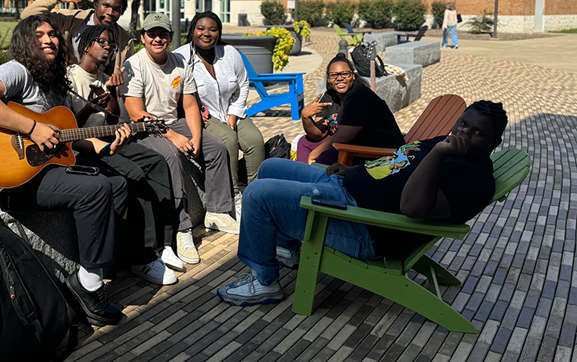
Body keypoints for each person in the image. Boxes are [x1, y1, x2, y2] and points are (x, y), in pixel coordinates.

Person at [217, 101, 508, 306]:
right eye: (463, 124)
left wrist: (439, 154)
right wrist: (354, 171)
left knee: (257, 194)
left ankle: (266, 281)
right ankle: (289, 249)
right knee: (270, 167)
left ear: (495, 143)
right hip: (345, 188)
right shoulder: (445, 141)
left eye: (478, 133)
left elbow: (413, 208)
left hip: (361, 224)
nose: (464, 134)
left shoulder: (474, 180)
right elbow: (397, 162)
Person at [0, 14, 128, 327]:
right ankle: (89, 286)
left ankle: (97, 269)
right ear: (25, 41)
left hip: (45, 169)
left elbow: (65, 137)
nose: (49, 39)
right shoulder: (17, 71)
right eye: (39, 35)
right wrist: (32, 127)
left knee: (117, 182)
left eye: (52, 34)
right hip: (15, 179)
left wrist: (106, 146)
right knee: (96, 189)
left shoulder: (53, 84)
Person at [120, 12, 239, 266]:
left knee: (217, 147)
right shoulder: (135, 64)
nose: (157, 38)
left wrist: (196, 137)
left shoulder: (180, 63)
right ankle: (182, 229)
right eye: (152, 34)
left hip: (175, 121)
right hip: (143, 129)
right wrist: (172, 136)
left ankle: (217, 211)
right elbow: (135, 113)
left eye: (163, 34)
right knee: (171, 156)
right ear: (143, 37)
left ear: (171, 37)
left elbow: (190, 104)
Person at [66, 23, 182, 283]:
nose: (109, 48)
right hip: (84, 149)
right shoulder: (70, 77)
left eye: (112, 45)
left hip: (109, 140)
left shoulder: (102, 78)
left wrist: (113, 92)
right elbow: (65, 127)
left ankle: (163, 244)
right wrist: (88, 109)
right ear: (87, 45)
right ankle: (140, 258)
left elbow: (113, 120)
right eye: (103, 43)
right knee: (134, 175)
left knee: (157, 162)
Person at [173, 12, 265, 218]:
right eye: (201, 29)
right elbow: (173, 88)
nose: (207, 33)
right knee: (229, 141)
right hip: (204, 116)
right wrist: (191, 110)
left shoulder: (229, 53)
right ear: (192, 31)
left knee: (255, 141)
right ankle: (233, 197)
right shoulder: (181, 57)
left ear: (219, 32)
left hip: (232, 110)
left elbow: (242, 83)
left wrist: (234, 113)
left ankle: (255, 195)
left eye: (213, 29)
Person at [299, 54, 405, 165]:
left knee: (325, 156)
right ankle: (303, 175)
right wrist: (305, 117)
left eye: (345, 74)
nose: (340, 78)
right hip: (350, 145)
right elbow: (318, 134)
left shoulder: (359, 95)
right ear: (329, 79)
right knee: (304, 142)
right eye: (334, 75)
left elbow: (343, 137)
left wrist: (314, 154)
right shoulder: (330, 96)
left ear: (353, 76)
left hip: (380, 154)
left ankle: (313, 177)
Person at [21, 0, 135, 71]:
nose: (110, 12)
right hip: (65, 88)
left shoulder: (125, 41)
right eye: (106, 5)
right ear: (95, 4)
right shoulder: (71, 20)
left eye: (117, 10)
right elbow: (27, 16)